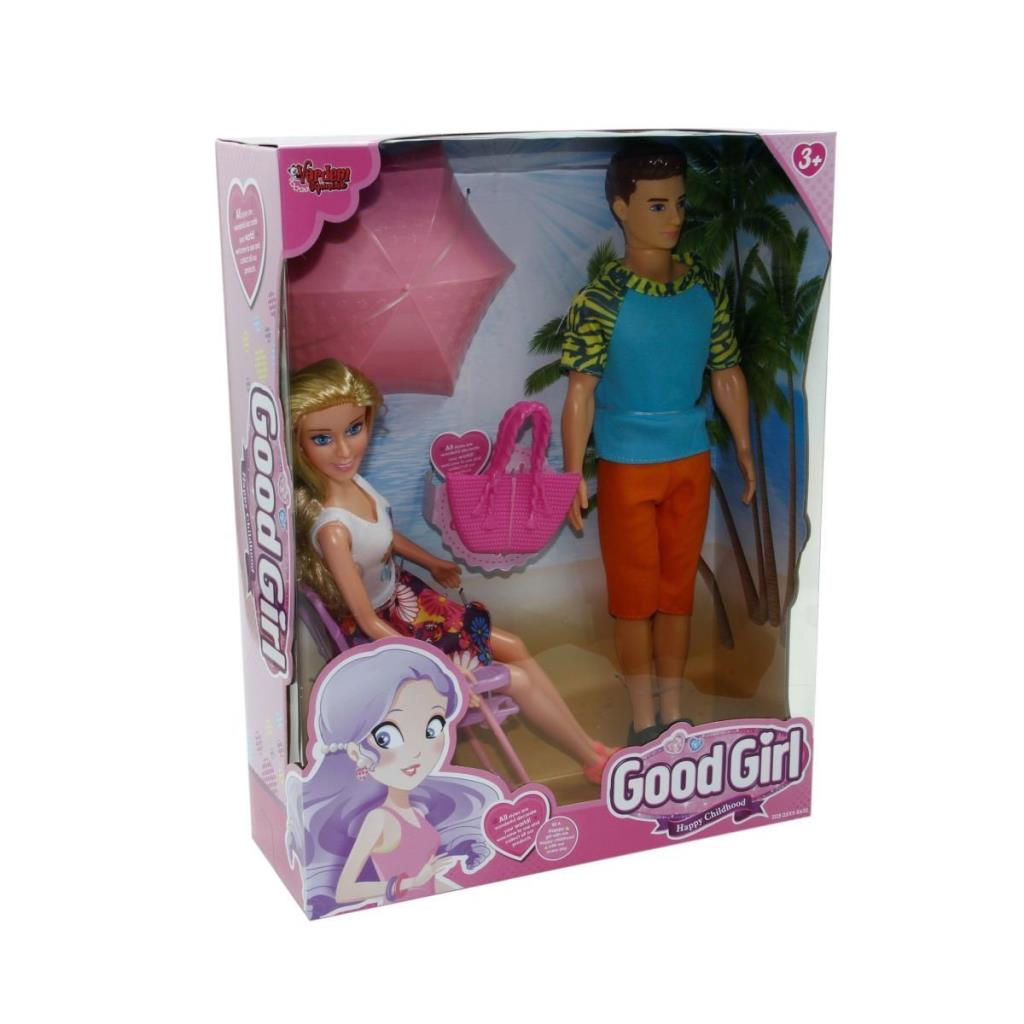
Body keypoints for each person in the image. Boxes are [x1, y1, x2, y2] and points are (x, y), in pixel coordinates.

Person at [290, 358, 615, 783]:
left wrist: (432, 561)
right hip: (388, 638)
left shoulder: (355, 485)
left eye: (354, 429)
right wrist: (437, 669)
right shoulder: (332, 530)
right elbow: (367, 622)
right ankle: (590, 760)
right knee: (515, 678)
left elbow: (381, 536)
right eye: (322, 439)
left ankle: (587, 745)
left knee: (514, 644)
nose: (345, 450)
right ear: (299, 445)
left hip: (405, 601)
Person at [560, 142, 756, 747]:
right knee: (633, 598)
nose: (674, 217)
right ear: (621, 208)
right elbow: (580, 391)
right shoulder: (601, 299)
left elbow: (726, 371)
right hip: (627, 465)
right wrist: (571, 472)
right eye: (656, 204)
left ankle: (673, 709)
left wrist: (744, 448)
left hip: (689, 459)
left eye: (679, 203)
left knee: (676, 595)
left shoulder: (704, 288)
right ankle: (642, 717)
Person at [285, 642, 500, 917]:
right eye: (387, 737)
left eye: (432, 728)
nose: (418, 751)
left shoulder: (416, 811)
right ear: (355, 750)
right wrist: (412, 882)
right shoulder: (379, 819)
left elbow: (429, 882)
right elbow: (345, 890)